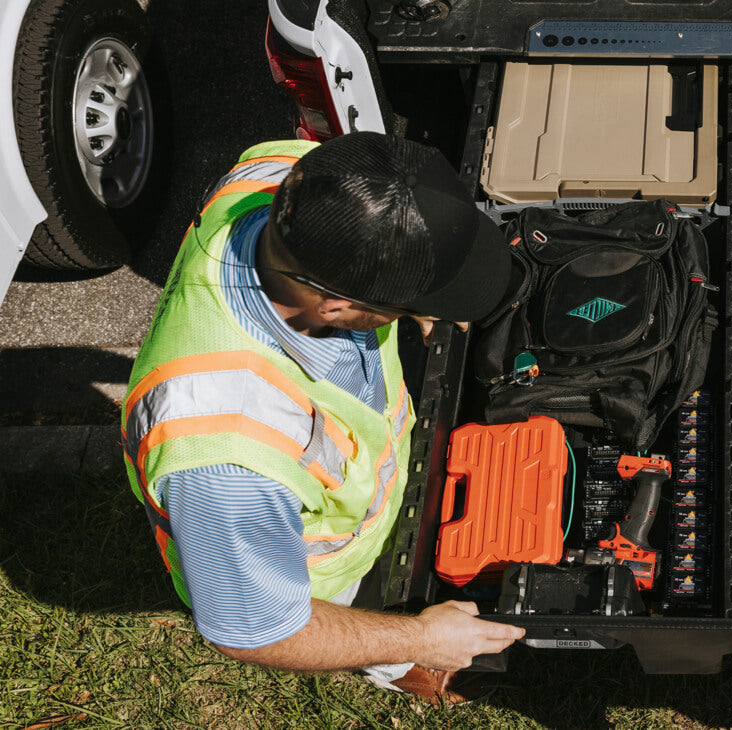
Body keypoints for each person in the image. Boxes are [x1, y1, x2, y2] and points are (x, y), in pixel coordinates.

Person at [121, 132, 525, 705]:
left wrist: (422, 291)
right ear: (336, 306)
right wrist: (423, 636)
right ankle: (404, 667)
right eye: (404, 304)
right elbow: (258, 631)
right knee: (392, 638)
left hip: (352, 473)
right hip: (327, 578)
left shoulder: (284, 175)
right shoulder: (225, 453)